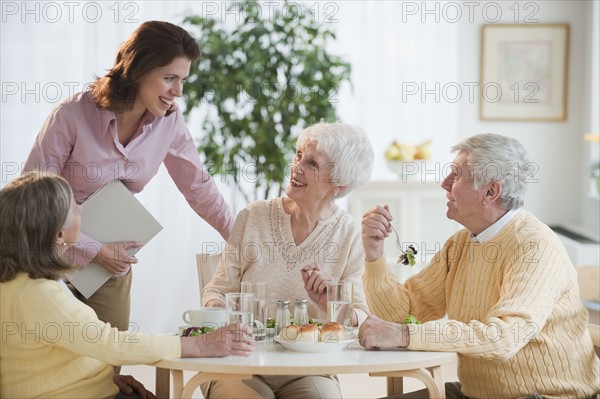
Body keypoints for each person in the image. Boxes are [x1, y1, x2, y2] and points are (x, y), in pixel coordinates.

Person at [23, 21, 234, 332]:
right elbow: (32, 196)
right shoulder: (72, 115)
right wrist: (94, 249)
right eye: (169, 78)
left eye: (183, 80)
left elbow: (198, 186)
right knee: (57, 361)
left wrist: (239, 237)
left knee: (108, 367)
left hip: (112, 266)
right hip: (52, 259)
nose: (178, 92)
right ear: (137, 70)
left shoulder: (169, 124)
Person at [359, 133, 600, 398]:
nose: (444, 184)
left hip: (545, 395)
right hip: (477, 393)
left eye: (456, 175)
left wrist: (405, 336)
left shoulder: (535, 247)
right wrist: (374, 253)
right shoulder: (461, 244)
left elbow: (505, 337)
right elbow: (401, 313)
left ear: (490, 192)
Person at [0, 172, 255, 398]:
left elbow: (54, 352)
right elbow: (108, 342)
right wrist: (199, 345)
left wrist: (104, 380)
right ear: (58, 234)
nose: (81, 208)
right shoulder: (36, 292)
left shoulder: (25, 281)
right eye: (74, 207)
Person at [201, 122, 374, 398]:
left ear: (339, 183)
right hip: (241, 363)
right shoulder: (252, 216)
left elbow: (362, 316)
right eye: (298, 155)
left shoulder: (348, 233)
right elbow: (215, 291)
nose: (296, 167)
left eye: (312, 164)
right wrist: (223, 310)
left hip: (310, 369)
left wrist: (332, 304)